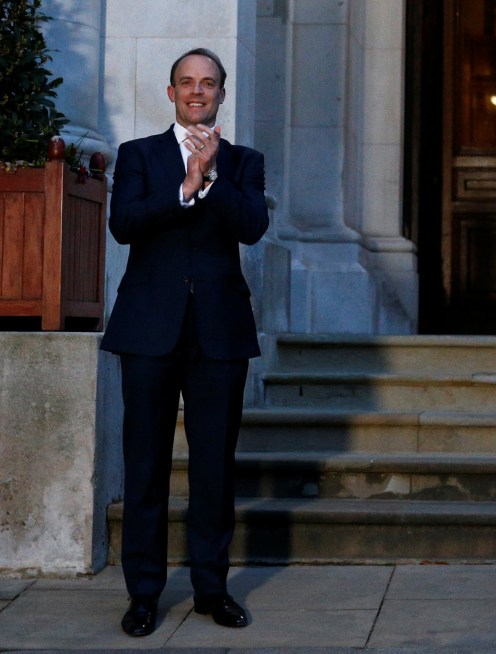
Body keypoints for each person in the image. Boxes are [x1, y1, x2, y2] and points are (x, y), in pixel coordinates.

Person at [101, 47, 269, 637]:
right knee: (145, 465)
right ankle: (144, 594)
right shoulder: (138, 155)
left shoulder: (245, 162)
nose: (197, 92)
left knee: (213, 469)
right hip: (149, 329)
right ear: (170, 92)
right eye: (186, 83)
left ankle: (211, 590)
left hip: (219, 333)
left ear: (223, 94)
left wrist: (213, 177)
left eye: (208, 83)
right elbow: (125, 225)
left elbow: (251, 225)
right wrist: (184, 187)